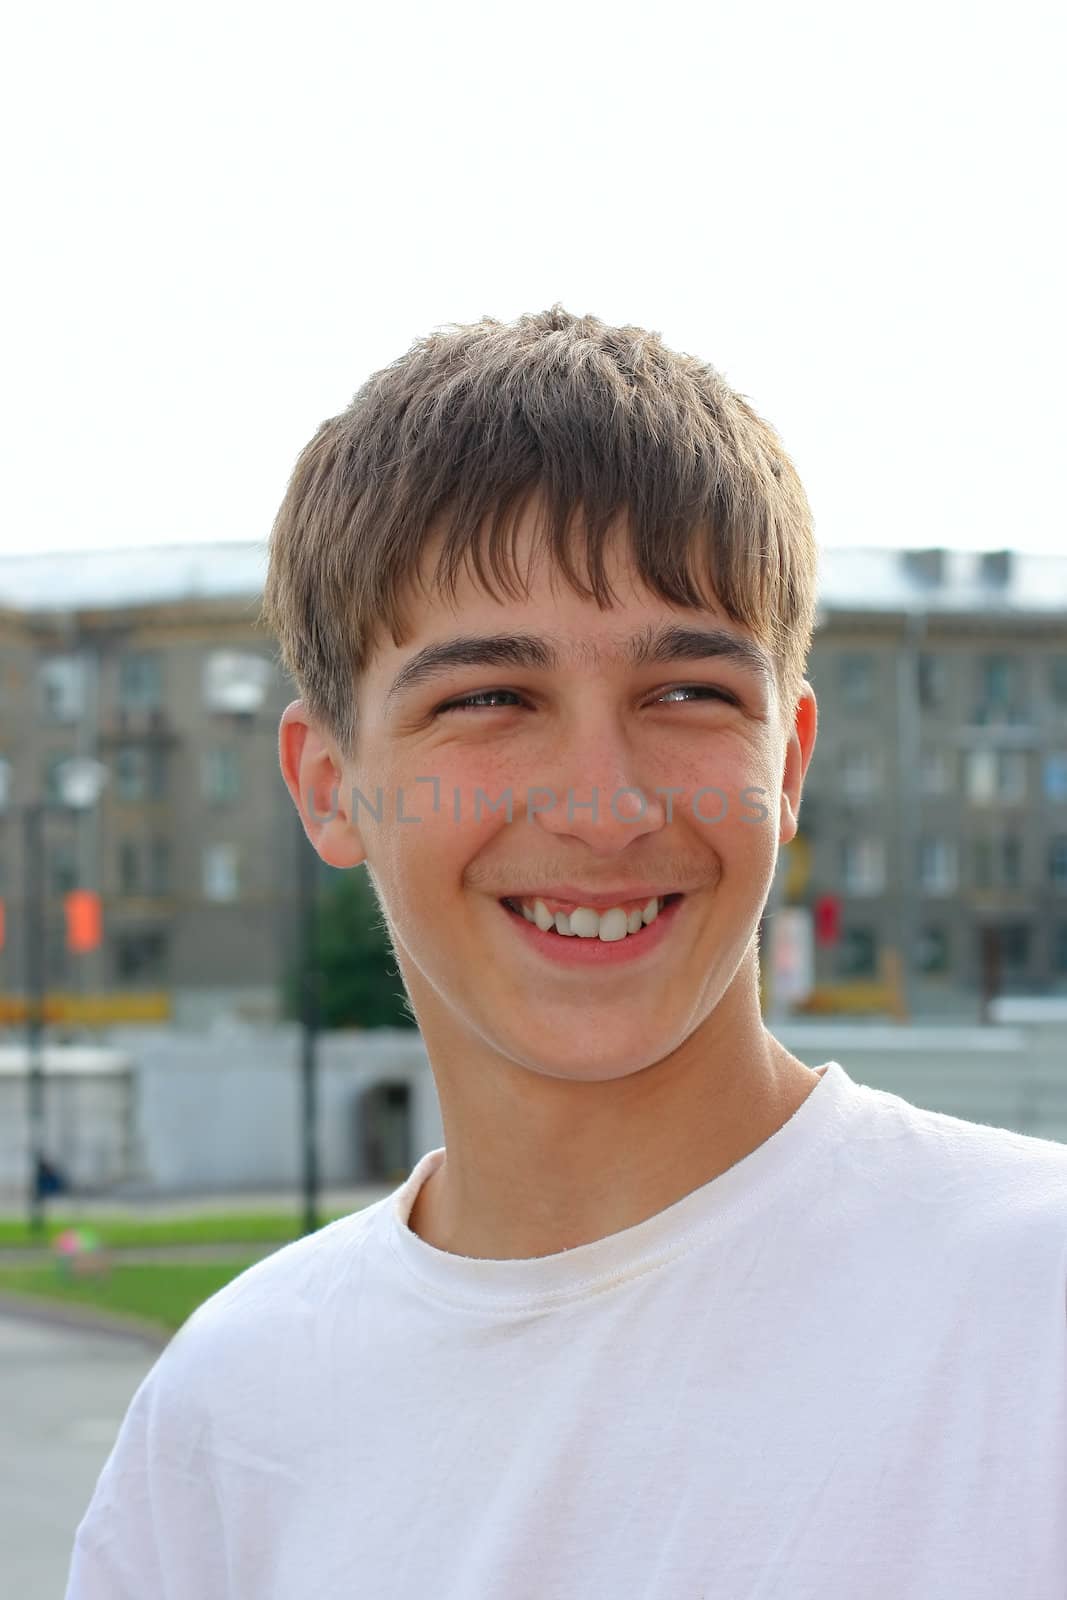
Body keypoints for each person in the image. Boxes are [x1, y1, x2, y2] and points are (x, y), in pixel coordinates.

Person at [66, 308, 1067, 1597]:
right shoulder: (229, 1415)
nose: (604, 805)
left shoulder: (1033, 1302)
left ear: (791, 762)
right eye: (488, 698)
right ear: (329, 787)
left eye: (689, 694)